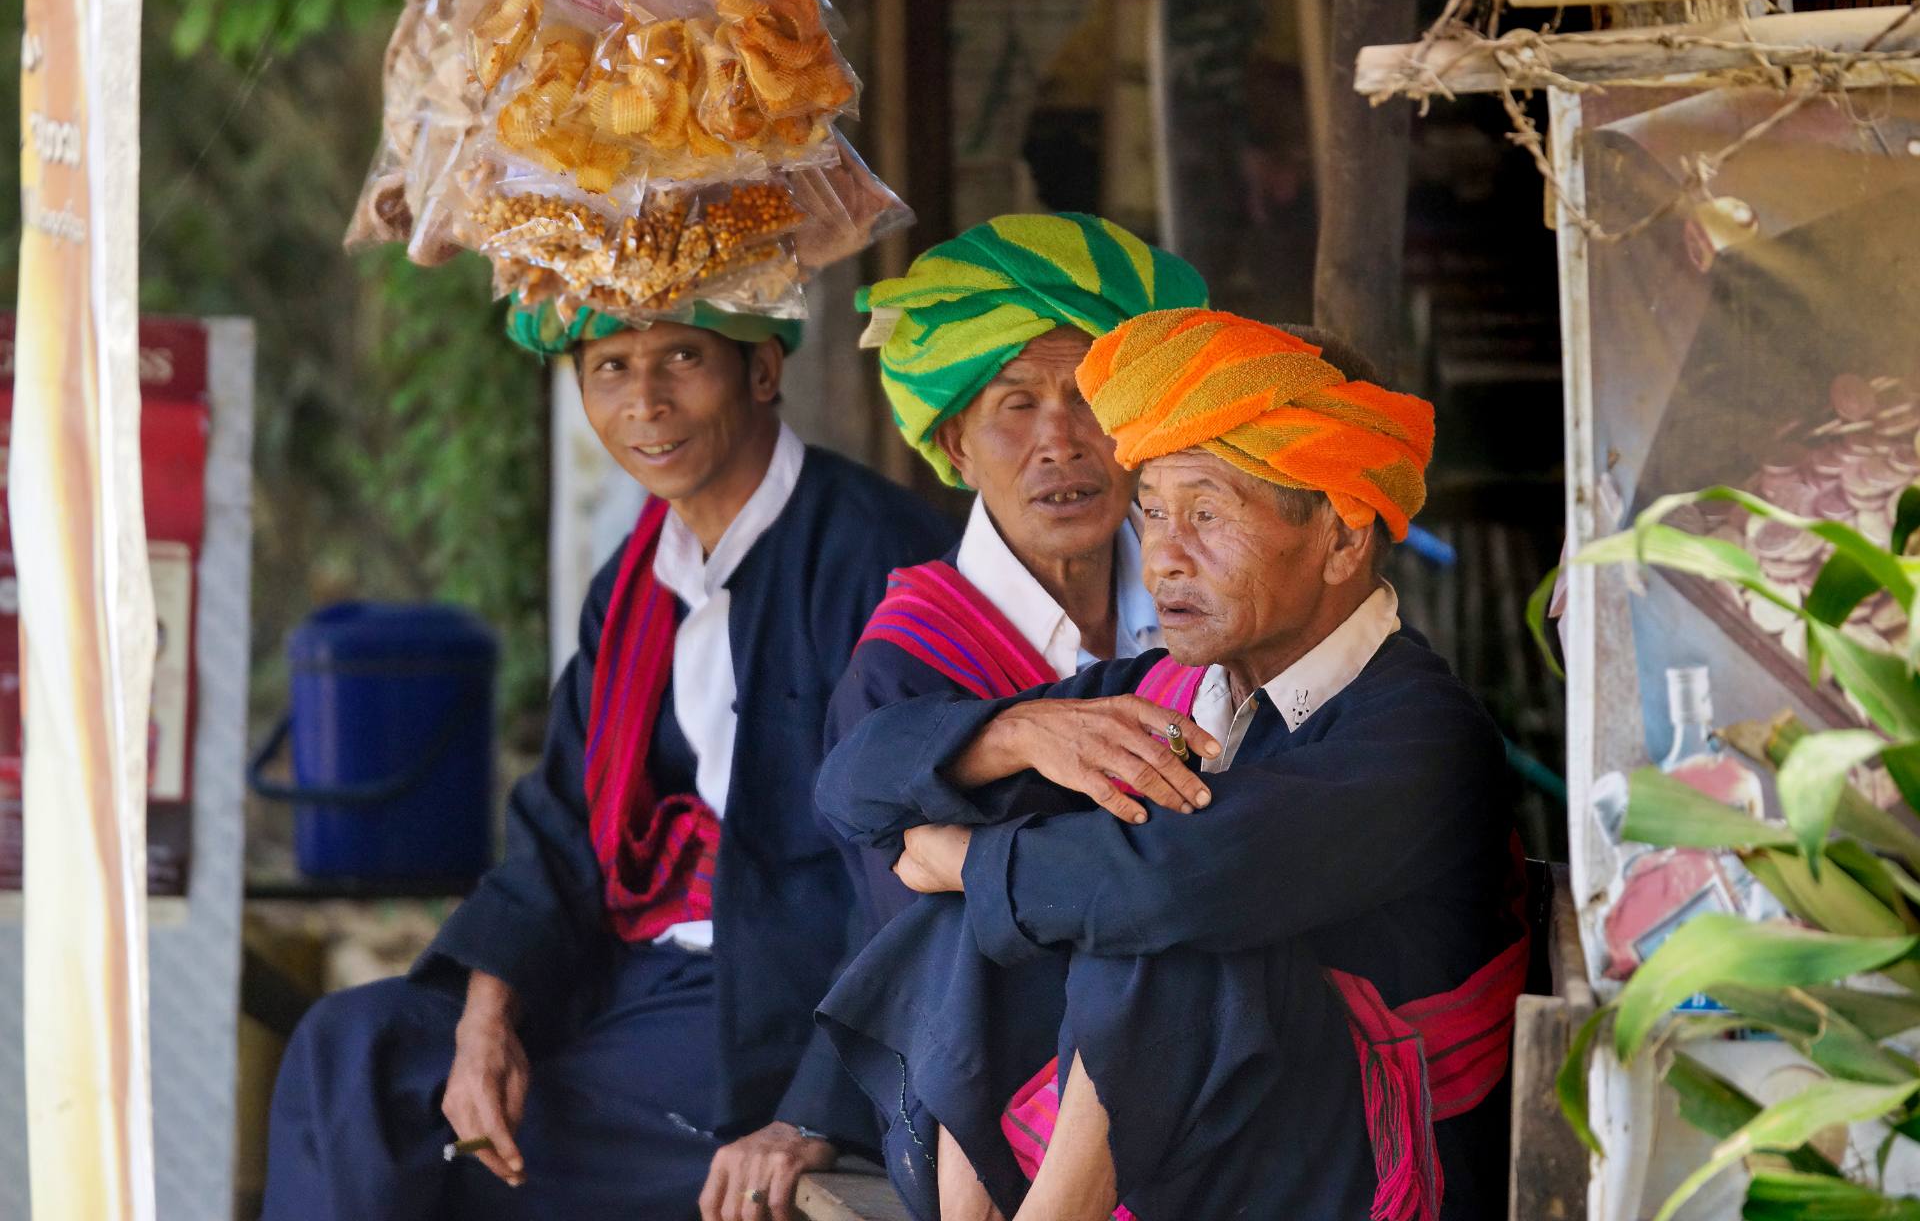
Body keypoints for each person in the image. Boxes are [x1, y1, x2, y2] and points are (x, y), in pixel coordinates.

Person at [814, 311, 1525, 1221]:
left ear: (1343, 538)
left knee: (1170, 924)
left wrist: (961, 858)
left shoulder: (1422, 733)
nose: (1162, 559)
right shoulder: (1168, 692)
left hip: (1369, 1180)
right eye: (1151, 512)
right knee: (1019, 902)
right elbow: (850, 785)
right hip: (1213, 1167)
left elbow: (1179, 884)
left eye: (1207, 514)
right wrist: (1020, 734)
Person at [264, 300, 955, 1221]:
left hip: (785, 1000)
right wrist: (486, 1018)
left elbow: (910, 874)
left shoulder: (872, 555)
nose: (646, 402)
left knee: (482, 1157)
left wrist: (812, 1111)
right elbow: (562, 823)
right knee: (354, 1052)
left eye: (682, 358)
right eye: (611, 367)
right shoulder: (634, 581)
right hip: (626, 972)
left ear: (761, 370)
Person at [829, 212, 1208, 926]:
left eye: (1091, 396)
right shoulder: (905, 663)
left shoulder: (1215, 594)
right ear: (957, 447)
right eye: (1017, 404)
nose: (1060, 442)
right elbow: (927, 942)